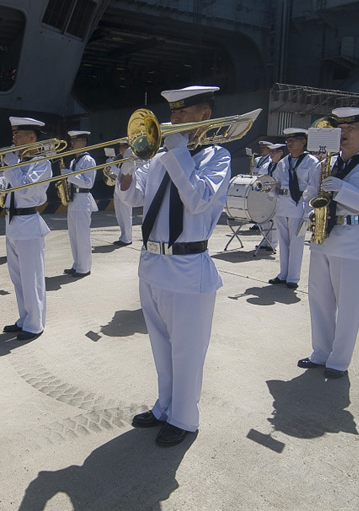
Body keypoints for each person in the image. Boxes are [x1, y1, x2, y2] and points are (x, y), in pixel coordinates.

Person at [118, 85, 230, 447]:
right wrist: (126, 167)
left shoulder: (217, 157)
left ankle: (184, 418)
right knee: (161, 347)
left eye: (184, 111)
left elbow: (197, 200)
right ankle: (164, 406)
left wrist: (178, 152)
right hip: (151, 265)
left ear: (205, 116)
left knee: (187, 350)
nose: (175, 118)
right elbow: (134, 197)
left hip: (187, 267)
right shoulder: (160, 157)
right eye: (173, 112)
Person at [299, 107, 359, 379]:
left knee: (348, 305)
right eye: (340, 128)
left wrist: (343, 189)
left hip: (353, 242)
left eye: (351, 129)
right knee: (319, 301)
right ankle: (320, 352)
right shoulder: (323, 163)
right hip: (322, 239)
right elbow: (309, 195)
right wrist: (310, 203)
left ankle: (339, 361)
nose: (343, 134)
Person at [0, 117, 52, 341]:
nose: (13, 138)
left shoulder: (42, 163)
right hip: (12, 224)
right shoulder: (17, 162)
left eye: (18, 134)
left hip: (29, 224)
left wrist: (10, 163)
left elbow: (24, 190)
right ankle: (25, 317)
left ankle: (35, 324)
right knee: (18, 278)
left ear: (31, 137)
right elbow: (2, 188)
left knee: (32, 278)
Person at [268, 128, 320, 289]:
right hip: (283, 204)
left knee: (296, 243)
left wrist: (308, 209)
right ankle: (283, 274)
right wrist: (270, 191)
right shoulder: (284, 161)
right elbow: (275, 181)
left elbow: (314, 185)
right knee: (283, 243)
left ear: (303, 142)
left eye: (293, 140)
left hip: (299, 206)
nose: (289, 144)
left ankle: (293, 277)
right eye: (288, 141)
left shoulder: (312, 162)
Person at [62, 130, 98, 278]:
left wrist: (69, 175)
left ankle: (84, 267)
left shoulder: (88, 160)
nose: (72, 144)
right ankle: (77, 264)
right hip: (73, 199)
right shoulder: (73, 161)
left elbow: (88, 183)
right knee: (74, 235)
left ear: (83, 143)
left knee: (82, 235)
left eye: (75, 141)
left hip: (83, 199)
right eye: (72, 141)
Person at [110, 141, 141, 246]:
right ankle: (123, 236)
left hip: (126, 191)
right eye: (120, 148)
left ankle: (128, 238)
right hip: (117, 190)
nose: (121, 150)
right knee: (119, 215)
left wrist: (113, 169)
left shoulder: (133, 160)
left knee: (126, 215)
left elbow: (130, 174)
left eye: (124, 147)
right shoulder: (120, 161)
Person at [256, 143, 286, 251]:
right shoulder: (266, 165)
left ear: (281, 153)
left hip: (276, 196)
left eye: (274, 152)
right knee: (264, 219)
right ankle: (265, 240)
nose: (271, 154)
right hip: (265, 195)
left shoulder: (283, 166)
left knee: (274, 220)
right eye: (270, 152)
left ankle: (272, 243)